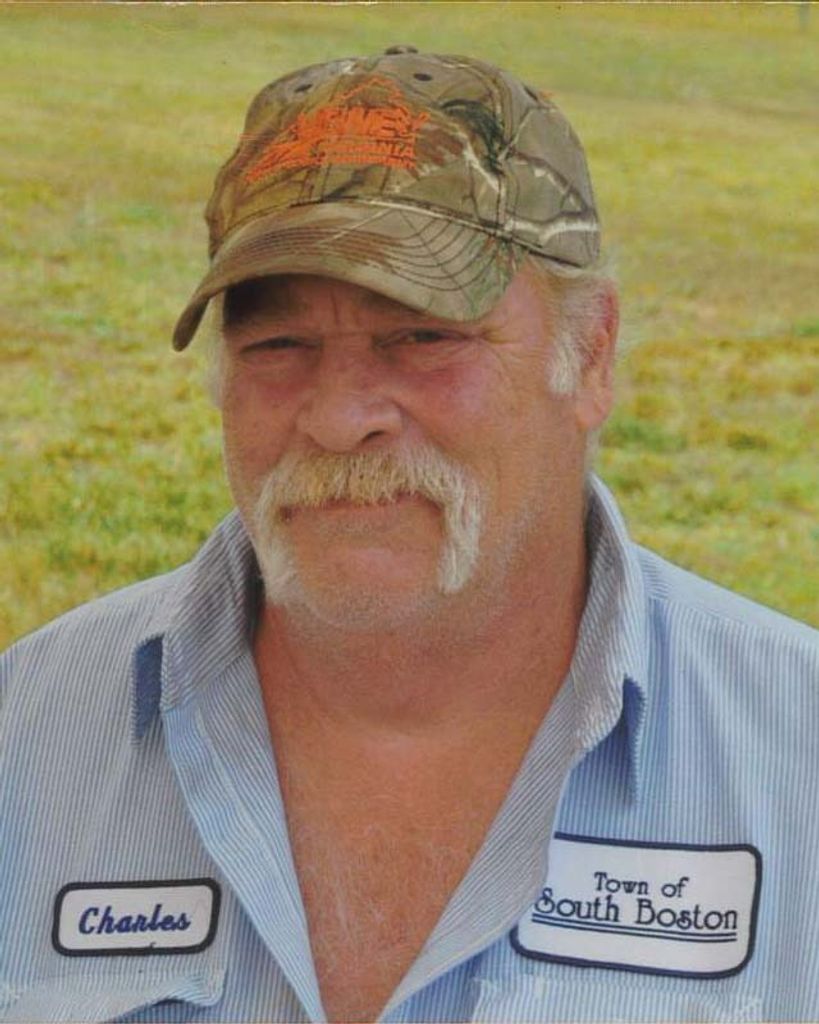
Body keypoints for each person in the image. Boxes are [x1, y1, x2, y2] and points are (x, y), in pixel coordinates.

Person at [1, 46, 817, 1024]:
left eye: (424, 335)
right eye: (278, 344)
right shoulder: (25, 742)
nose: (339, 417)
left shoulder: (794, 761)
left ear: (591, 353)